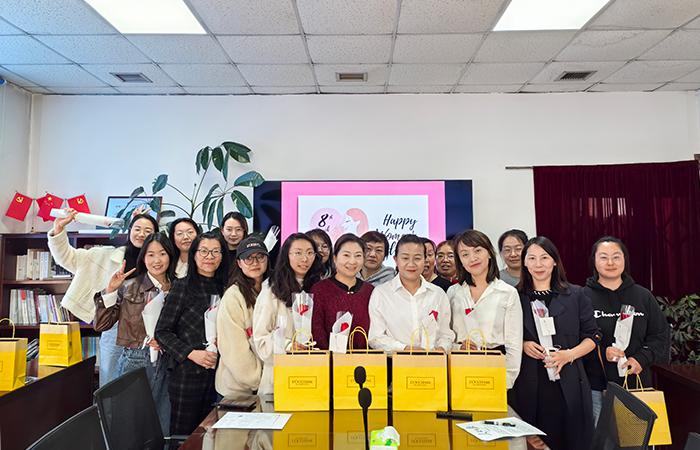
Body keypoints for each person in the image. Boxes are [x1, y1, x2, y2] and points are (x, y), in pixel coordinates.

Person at [48, 207, 158, 386]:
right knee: (110, 383)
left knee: (146, 385)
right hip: (114, 326)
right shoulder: (105, 255)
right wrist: (59, 230)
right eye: (137, 229)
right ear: (129, 231)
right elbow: (68, 258)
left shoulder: (160, 261)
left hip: (149, 331)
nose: (141, 234)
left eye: (148, 231)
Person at [512, 237, 600, 450]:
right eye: (532, 258)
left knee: (573, 440)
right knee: (535, 442)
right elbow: (504, 336)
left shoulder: (576, 294)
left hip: (569, 378)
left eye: (544, 258)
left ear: (554, 261)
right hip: (530, 382)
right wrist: (523, 344)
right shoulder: (514, 296)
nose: (538, 264)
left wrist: (569, 355)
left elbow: (593, 336)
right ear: (525, 263)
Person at [93, 232, 176, 432]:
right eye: (151, 255)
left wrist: (167, 341)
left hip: (170, 361)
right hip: (135, 360)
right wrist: (111, 290)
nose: (157, 260)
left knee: (161, 424)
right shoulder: (129, 287)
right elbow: (102, 324)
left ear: (170, 256)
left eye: (162, 254)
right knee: (130, 424)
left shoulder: (178, 287)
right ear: (143, 258)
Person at [582, 236, 670, 423]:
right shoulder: (582, 297)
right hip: (596, 388)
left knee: (636, 438)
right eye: (603, 257)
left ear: (625, 260)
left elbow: (660, 335)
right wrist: (601, 352)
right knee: (600, 438)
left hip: (637, 386)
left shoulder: (643, 296)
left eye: (616, 257)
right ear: (594, 261)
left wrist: (640, 358)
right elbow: (574, 338)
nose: (610, 262)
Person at [155, 231, 229, 435]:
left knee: (212, 435)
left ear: (222, 256)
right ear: (194, 254)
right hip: (187, 374)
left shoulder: (226, 288)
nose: (209, 257)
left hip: (218, 374)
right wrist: (191, 353)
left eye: (215, 251)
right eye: (203, 251)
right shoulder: (182, 287)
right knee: (184, 436)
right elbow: (162, 332)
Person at [448, 230, 523, 388]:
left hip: (495, 369)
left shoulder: (507, 293)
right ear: (460, 260)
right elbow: (445, 336)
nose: (472, 258)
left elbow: (514, 344)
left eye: (477, 251)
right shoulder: (453, 293)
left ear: (489, 252)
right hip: (459, 368)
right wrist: (458, 347)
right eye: (465, 254)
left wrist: (506, 381)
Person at [252, 233, 323, 394]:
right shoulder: (271, 290)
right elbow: (260, 338)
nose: (305, 259)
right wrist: (288, 345)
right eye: (298, 253)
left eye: (310, 253)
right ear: (286, 255)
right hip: (279, 376)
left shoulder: (320, 288)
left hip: (313, 374)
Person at [368, 234, 454, 352]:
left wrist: (441, 348)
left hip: (433, 361)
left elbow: (446, 335)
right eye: (405, 258)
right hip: (394, 361)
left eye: (417, 258)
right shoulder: (381, 293)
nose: (411, 264)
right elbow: (375, 338)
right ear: (396, 260)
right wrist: (405, 349)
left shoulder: (438, 294)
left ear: (425, 260)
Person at [216, 236, 269, 397]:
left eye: (260, 257)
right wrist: (259, 379)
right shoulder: (233, 296)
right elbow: (234, 349)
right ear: (239, 263)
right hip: (239, 389)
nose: (255, 262)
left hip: (271, 384)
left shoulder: (274, 291)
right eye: (248, 258)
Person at [311, 234, 374, 350]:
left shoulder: (370, 291)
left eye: (358, 256)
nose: (352, 261)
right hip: (329, 358)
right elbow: (317, 330)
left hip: (365, 359)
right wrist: (330, 357)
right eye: (346, 255)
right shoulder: (319, 290)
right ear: (335, 258)